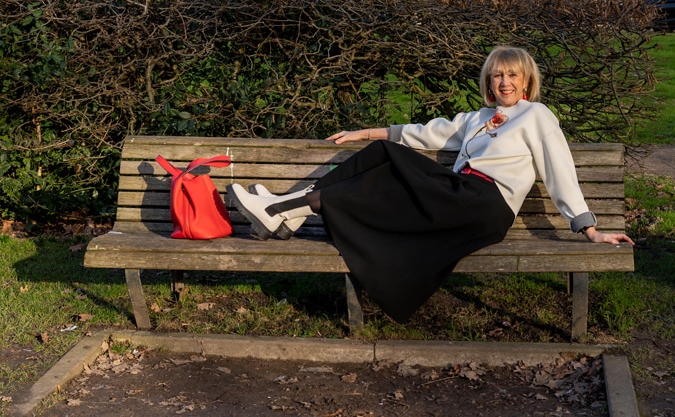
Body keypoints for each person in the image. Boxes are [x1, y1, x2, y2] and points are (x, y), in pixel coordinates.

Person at [227, 46, 634, 323]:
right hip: (457, 195)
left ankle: (282, 209)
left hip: (485, 204)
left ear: (526, 81)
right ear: (488, 82)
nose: (504, 82)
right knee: (380, 153)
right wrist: (365, 132)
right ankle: (287, 211)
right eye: (496, 75)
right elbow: (425, 133)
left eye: (512, 75)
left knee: (386, 162)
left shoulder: (536, 116)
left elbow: (559, 168)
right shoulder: (477, 119)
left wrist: (588, 228)